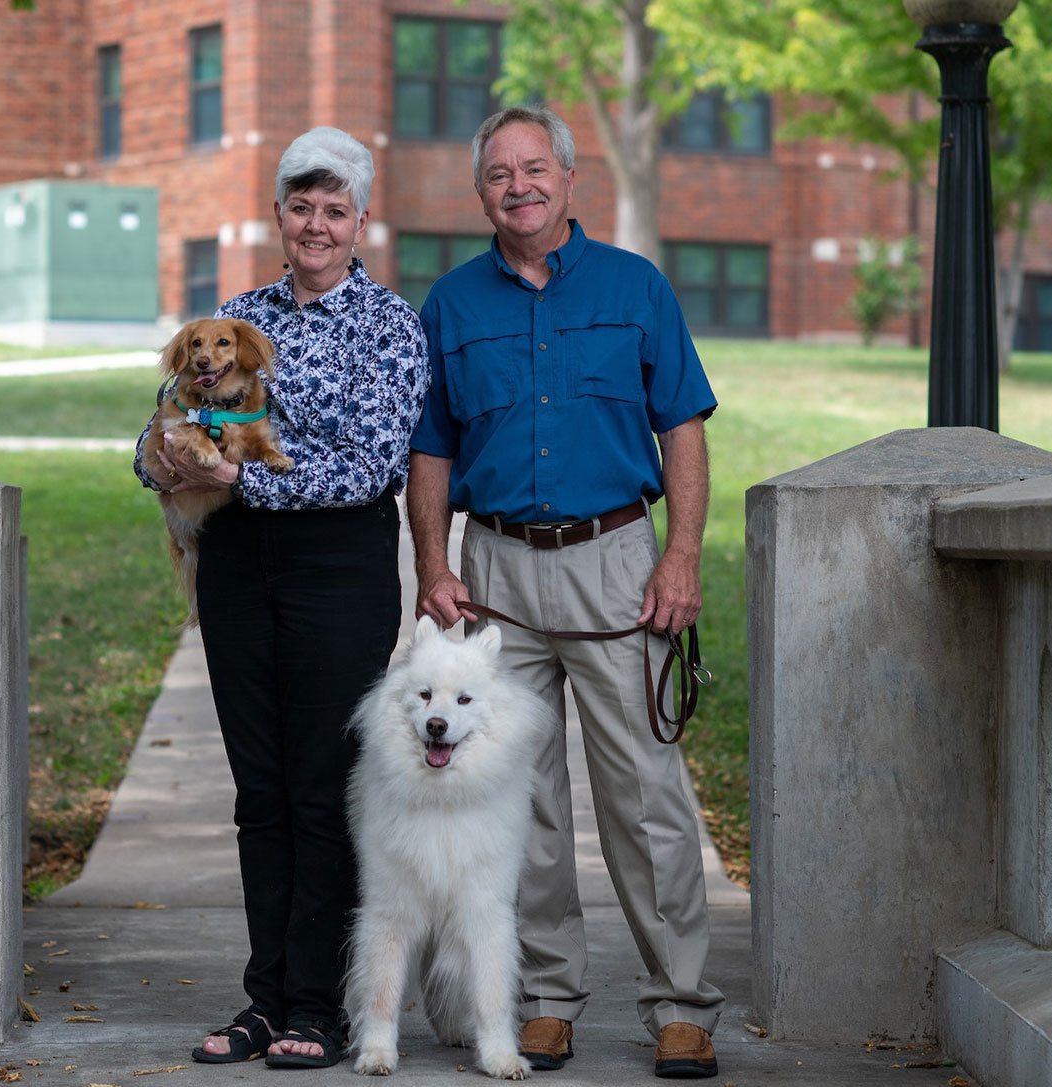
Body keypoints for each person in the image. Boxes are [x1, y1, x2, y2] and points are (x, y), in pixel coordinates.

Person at [407, 105, 725, 1080]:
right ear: (481, 191)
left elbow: (683, 430)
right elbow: (431, 450)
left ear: (569, 179)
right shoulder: (452, 304)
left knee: (648, 797)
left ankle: (681, 1003)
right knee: (520, 805)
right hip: (495, 578)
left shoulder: (636, 289)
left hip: (618, 565)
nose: (518, 185)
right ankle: (544, 999)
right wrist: (432, 565)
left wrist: (683, 557)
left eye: (534, 167)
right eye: (499, 172)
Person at [134, 125, 429, 1069]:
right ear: (278, 215)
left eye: (334, 209)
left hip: (336, 570)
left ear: (361, 222)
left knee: (320, 785)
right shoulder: (233, 315)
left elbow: (372, 463)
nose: (316, 223)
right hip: (236, 567)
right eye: (301, 206)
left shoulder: (390, 326)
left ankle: (320, 1002)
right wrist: (155, 461)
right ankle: (265, 996)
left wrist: (236, 477)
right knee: (259, 790)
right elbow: (164, 429)